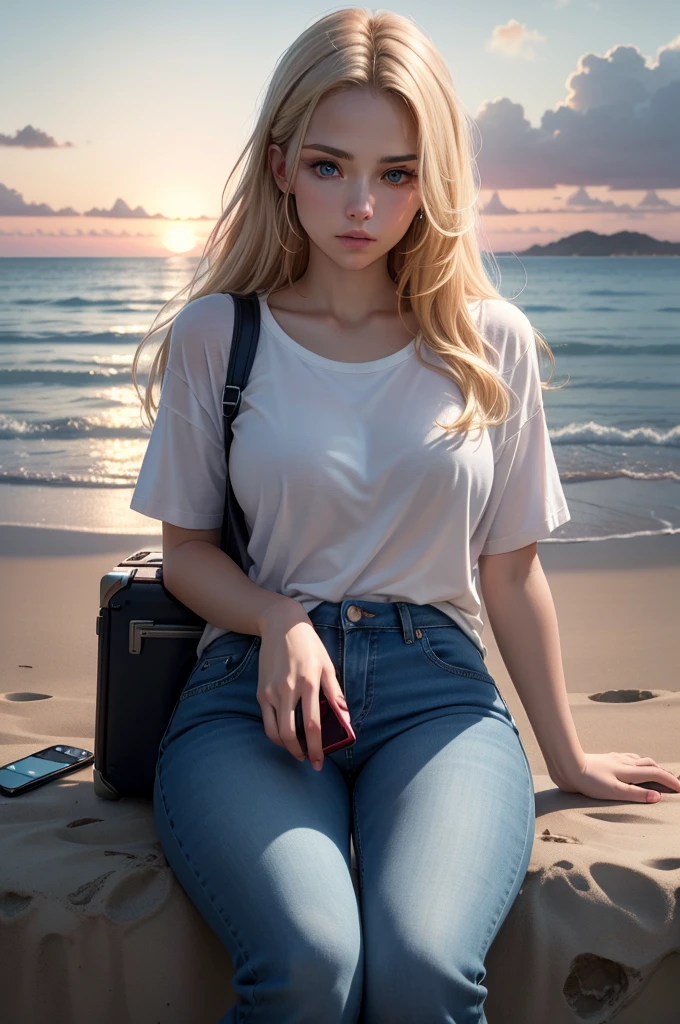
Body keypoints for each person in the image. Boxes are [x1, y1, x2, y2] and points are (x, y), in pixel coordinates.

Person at [129, 9, 680, 1022]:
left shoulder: (489, 342)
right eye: (333, 165)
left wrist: (565, 755)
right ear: (282, 163)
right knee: (308, 965)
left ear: (433, 181)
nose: (361, 203)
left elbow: (509, 575)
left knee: (423, 968)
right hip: (252, 699)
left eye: (396, 172)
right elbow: (186, 556)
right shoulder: (222, 334)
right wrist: (278, 619)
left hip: (438, 697)